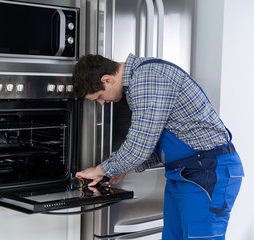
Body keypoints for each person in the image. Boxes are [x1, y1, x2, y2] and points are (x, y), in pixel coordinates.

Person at [72, 53, 244, 240]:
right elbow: (161, 142)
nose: (102, 103)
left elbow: (139, 147)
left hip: (208, 173)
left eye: (99, 96)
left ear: (107, 79)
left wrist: (99, 170)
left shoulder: (148, 79)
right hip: (183, 173)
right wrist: (127, 169)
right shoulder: (139, 81)